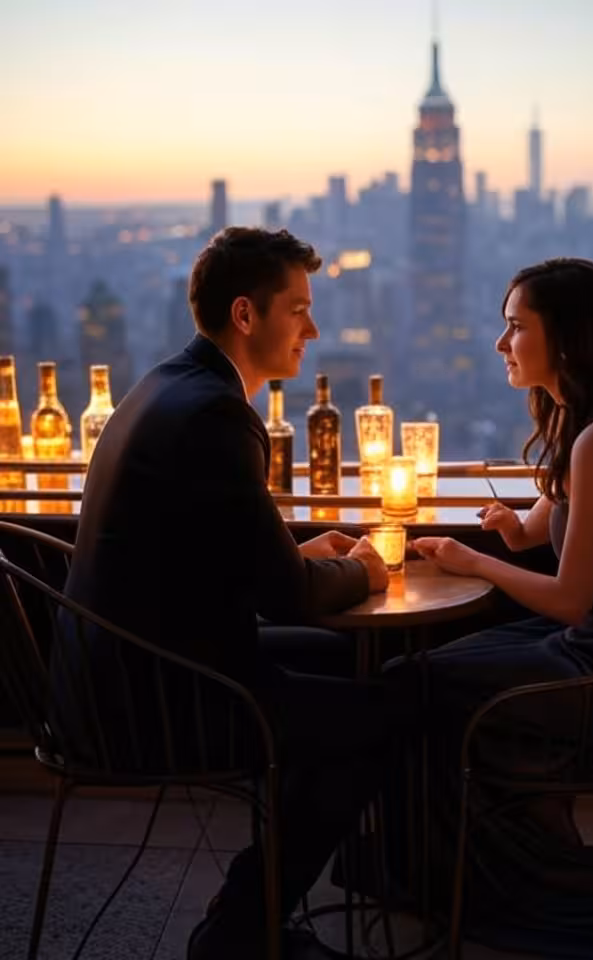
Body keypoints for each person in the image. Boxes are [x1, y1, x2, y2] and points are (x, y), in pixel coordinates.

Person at [59, 227, 417, 960]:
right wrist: (368, 571)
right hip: (160, 700)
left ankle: (272, 902)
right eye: (299, 310)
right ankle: (242, 927)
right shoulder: (220, 415)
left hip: (111, 674)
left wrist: (298, 553)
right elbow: (288, 596)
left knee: (337, 663)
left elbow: (219, 548)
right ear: (246, 315)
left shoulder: (166, 384)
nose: (313, 329)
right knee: (386, 714)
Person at [385, 258, 593, 957]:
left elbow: (571, 599)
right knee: (424, 670)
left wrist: (477, 559)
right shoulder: (583, 425)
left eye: (515, 328)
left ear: (564, 340)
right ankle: (477, 866)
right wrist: (512, 530)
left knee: (416, 682)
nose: (501, 344)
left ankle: (495, 877)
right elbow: (546, 525)